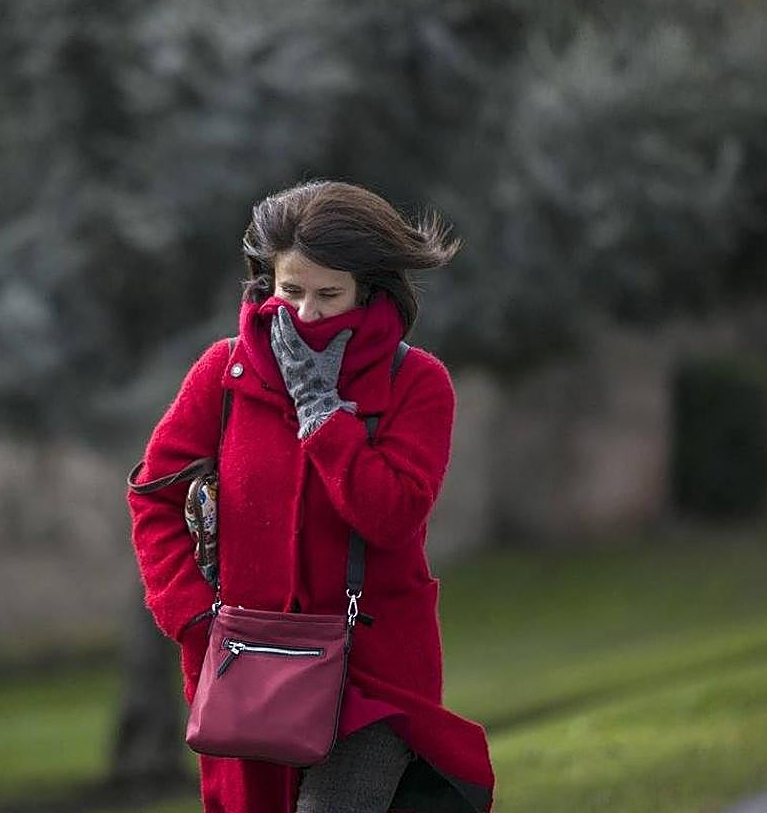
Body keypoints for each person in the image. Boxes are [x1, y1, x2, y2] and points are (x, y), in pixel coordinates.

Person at [127, 180, 495, 812]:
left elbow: (392, 514)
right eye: (289, 291)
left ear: (370, 289)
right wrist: (192, 618)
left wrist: (323, 413)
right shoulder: (222, 372)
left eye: (329, 295)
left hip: (370, 674)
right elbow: (154, 501)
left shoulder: (417, 382)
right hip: (247, 670)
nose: (305, 314)